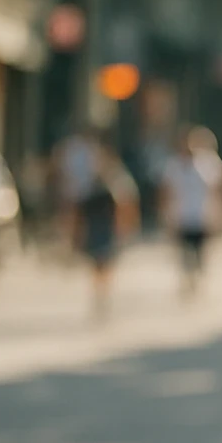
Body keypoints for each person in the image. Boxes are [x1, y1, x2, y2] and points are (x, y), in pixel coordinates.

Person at [71, 134, 139, 318]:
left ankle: (103, 292)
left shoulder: (118, 180)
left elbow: (125, 205)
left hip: (108, 227)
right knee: (96, 263)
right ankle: (99, 292)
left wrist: (124, 227)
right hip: (94, 226)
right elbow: (79, 208)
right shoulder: (88, 181)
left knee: (105, 262)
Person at [159, 126, 222, 295]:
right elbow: (166, 191)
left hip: (201, 215)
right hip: (181, 216)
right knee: (184, 252)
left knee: (199, 251)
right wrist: (166, 214)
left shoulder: (207, 164)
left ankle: (196, 277)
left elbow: (220, 186)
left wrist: (219, 211)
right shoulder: (174, 166)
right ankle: (187, 279)